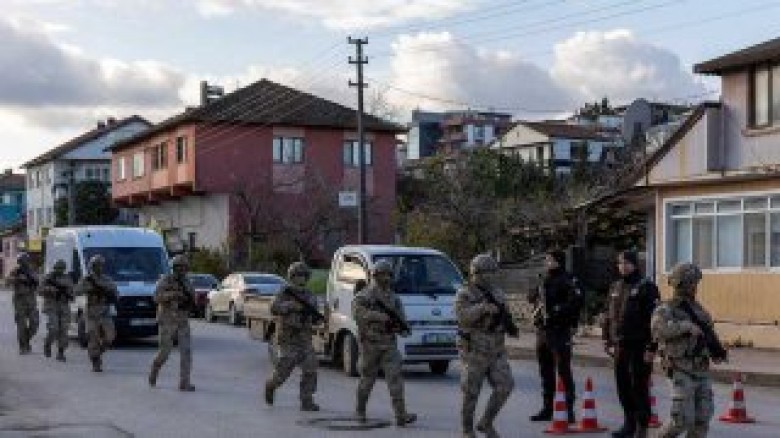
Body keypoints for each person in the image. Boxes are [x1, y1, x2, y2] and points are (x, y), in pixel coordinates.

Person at [651, 262, 727, 438]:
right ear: (680, 283)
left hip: (701, 370)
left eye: (695, 282)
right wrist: (685, 326)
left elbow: (708, 335)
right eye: (691, 282)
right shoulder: (666, 309)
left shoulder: (700, 311)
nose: (694, 287)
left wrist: (716, 352)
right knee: (681, 420)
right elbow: (658, 331)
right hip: (680, 368)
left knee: (702, 419)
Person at [456, 254, 515, 438]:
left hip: (496, 349)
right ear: (476, 273)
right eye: (486, 272)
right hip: (474, 349)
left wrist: (509, 324)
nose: (490, 276)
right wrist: (482, 308)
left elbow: (505, 314)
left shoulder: (498, 293)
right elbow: (462, 317)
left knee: (505, 386)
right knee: (471, 392)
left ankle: (486, 422)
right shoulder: (465, 293)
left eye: (492, 272)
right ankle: (467, 430)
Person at [602, 251, 660, 438]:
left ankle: (642, 426)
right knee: (623, 386)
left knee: (639, 387)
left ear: (635, 264)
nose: (623, 266)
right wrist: (606, 338)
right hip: (620, 345)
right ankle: (629, 423)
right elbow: (608, 315)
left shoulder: (647, 287)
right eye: (620, 263)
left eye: (627, 262)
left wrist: (652, 347)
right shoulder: (615, 286)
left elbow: (655, 321)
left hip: (639, 346)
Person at [352, 259, 417, 427]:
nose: (386, 278)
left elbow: (401, 318)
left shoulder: (394, 298)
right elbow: (358, 314)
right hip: (370, 344)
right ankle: (360, 411)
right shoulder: (365, 295)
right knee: (367, 379)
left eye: (389, 275)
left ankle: (400, 415)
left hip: (389, 343)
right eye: (383, 274)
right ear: (375, 275)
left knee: (395, 378)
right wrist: (380, 317)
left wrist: (402, 327)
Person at [528, 249, 582, 423]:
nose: (547, 263)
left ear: (558, 261)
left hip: (560, 330)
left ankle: (568, 410)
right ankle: (547, 408)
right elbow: (531, 298)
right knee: (545, 372)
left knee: (563, 371)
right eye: (546, 260)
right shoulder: (543, 280)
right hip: (543, 331)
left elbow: (576, 302)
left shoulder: (568, 279)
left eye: (549, 260)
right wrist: (535, 293)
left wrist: (557, 310)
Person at [264, 262, 320, 411]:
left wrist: (315, 317)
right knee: (283, 372)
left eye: (304, 275)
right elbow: (273, 307)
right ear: (292, 277)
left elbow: (314, 312)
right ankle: (270, 386)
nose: (301, 278)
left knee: (311, 369)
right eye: (298, 275)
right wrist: (290, 306)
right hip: (288, 339)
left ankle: (307, 400)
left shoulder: (309, 294)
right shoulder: (284, 292)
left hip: (304, 339)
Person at [149, 255, 195, 391]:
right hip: (167, 319)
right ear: (174, 268)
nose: (182, 270)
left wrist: (190, 301)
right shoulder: (165, 280)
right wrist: (172, 295)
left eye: (184, 267)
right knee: (165, 352)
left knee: (186, 352)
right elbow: (156, 297)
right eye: (179, 267)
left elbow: (192, 298)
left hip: (182, 320)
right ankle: (155, 369)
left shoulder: (187, 282)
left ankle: (184, 382)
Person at [75, 255, 118, 372]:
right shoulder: (87, 279)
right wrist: (88, 288)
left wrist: (107, 291)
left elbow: (116, 294)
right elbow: (76, 291)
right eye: (96, 265)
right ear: (92, 266)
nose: (99, 268)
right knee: (93, 337)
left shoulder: (107, 279)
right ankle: (95, 361)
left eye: (101, 265)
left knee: (110, 337)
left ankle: (97, 353)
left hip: (105, 312)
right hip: (91, 313)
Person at [38, 259, 74, 362]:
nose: (60, 270)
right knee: (54, 328)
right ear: (54, 268)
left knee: (64, 330)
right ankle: (48, 343)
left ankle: (61, 352)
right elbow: (39, 290)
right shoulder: (48, 278)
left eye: (62, 268)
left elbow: (72, 292)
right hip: (51, 306)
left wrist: (69, 294)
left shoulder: (68, 279)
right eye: (58, 268)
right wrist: (49, 290)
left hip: (64, 307)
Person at [8, 252, 40, 355]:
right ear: (19, 262)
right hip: (19, 300)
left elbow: (38, 282)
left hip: (31, 300)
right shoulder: (16, 271)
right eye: (22, 261)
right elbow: (8, 281)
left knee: (35, 323)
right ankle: (23, 347)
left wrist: (31, 279)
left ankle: (26, 340)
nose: (24, 262)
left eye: (25, 260)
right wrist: (18, 279)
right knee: (21, 325)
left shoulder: (32, 271)